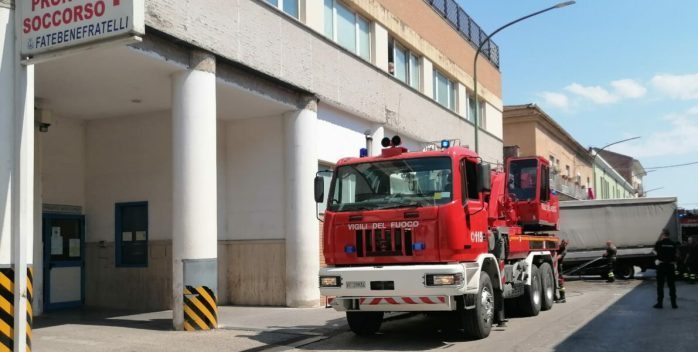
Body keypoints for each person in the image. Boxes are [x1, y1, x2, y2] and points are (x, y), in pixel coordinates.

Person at [653, 229, 678, 308]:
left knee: (660, 285)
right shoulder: (673, 244)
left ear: (663, 235)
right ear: (668, 235)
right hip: (670, 266)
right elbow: (676, 254)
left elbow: (654, 252)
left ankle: (660, 303)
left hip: (661, 266)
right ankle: (674, 304)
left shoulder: (659, 243)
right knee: (672, 285)